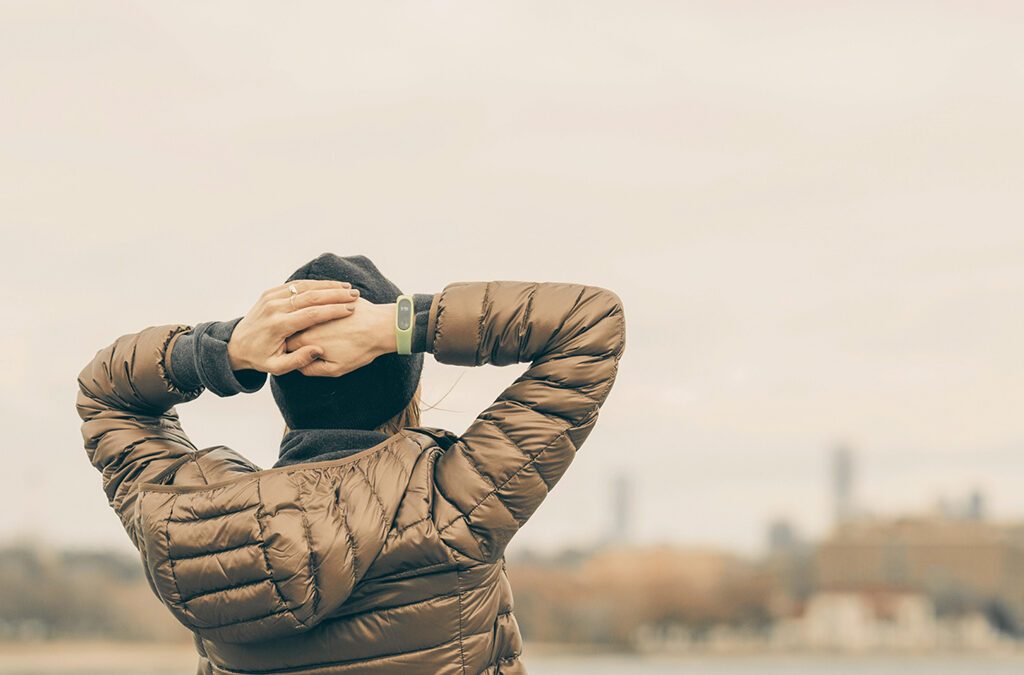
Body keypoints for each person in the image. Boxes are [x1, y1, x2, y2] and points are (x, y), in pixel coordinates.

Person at [76, 253, 626, 674]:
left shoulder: (191, 522)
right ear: (403, 385)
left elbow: (106, 393)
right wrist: (400, 327)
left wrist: (225, 350)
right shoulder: (455, 500)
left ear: (280, 385)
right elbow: (588, 322)